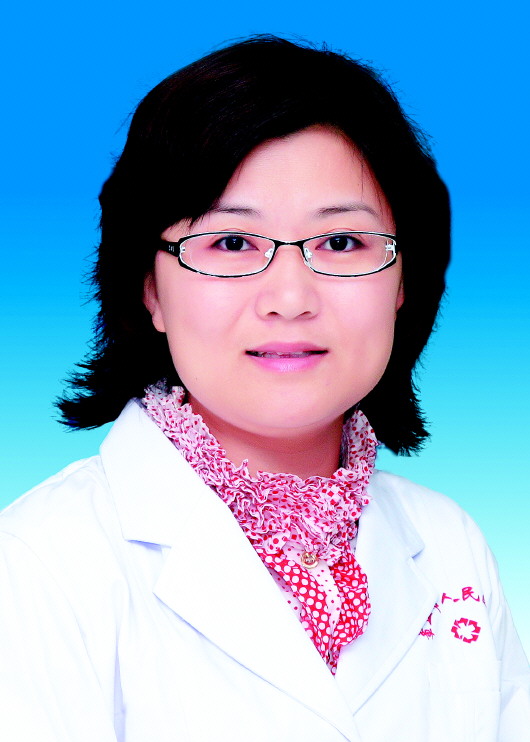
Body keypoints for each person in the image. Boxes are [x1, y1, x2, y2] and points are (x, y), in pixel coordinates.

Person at [0, 35, 528, 742]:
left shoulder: (449, 542)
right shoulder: (40, 562)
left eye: (341, 243)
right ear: (149, 287)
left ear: (405, 281)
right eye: (231, 243)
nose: (289, 299)